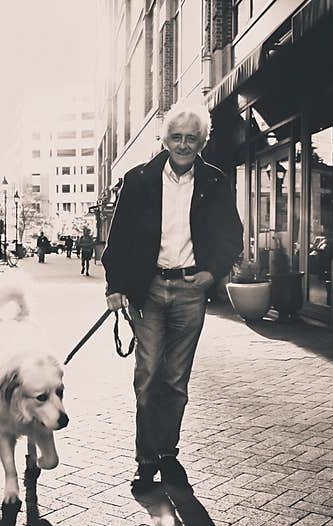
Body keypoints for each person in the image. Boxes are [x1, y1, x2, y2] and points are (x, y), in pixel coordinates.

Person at [101, 100, 242, 493]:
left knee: (176, 381)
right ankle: (146, 459)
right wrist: (115, 288)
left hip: (189, 292)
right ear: (165, 139)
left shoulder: (215, 182)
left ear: (202, 141)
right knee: (147, 378)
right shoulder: (139, 179)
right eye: (176, 137)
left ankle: (167, 453)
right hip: (147, 290)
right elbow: (119, 240)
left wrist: (211, 274)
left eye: (191, 139)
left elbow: (232, 235)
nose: (183, 145)